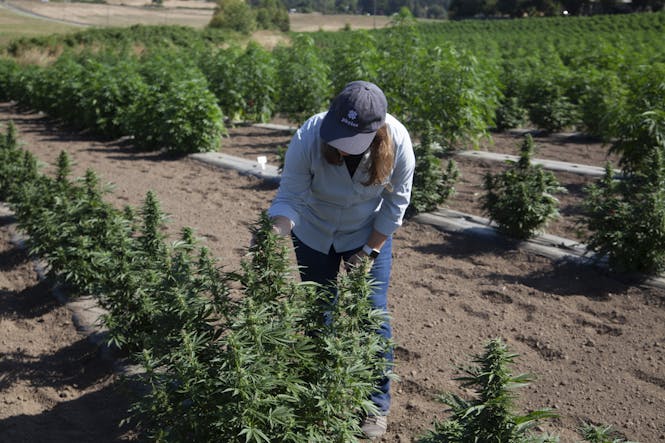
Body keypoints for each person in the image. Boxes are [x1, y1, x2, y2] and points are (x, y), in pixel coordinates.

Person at [267, 80, 415, 439]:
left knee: (372, 316)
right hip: (314, 232)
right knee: (321, 310)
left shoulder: (398, 141)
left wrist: (369, 251)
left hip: (367, 232)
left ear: (375, 131)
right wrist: (273, 238)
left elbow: (396, 206)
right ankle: (317, 389)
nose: (343, 149)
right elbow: (291, 193)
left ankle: (376, 404)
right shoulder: (310, 135)